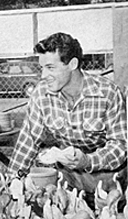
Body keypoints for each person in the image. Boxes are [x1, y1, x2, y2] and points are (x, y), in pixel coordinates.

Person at [8, 32, 127, 207]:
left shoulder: (107, 93)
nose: (43, 75)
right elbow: (28, 141)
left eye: (50, 67)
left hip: (109, 183)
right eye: (42, 68)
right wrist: (14, 179)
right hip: (69, 183)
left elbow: (121, 146)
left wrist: (87, 160)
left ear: (72, 64)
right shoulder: (41, 94)